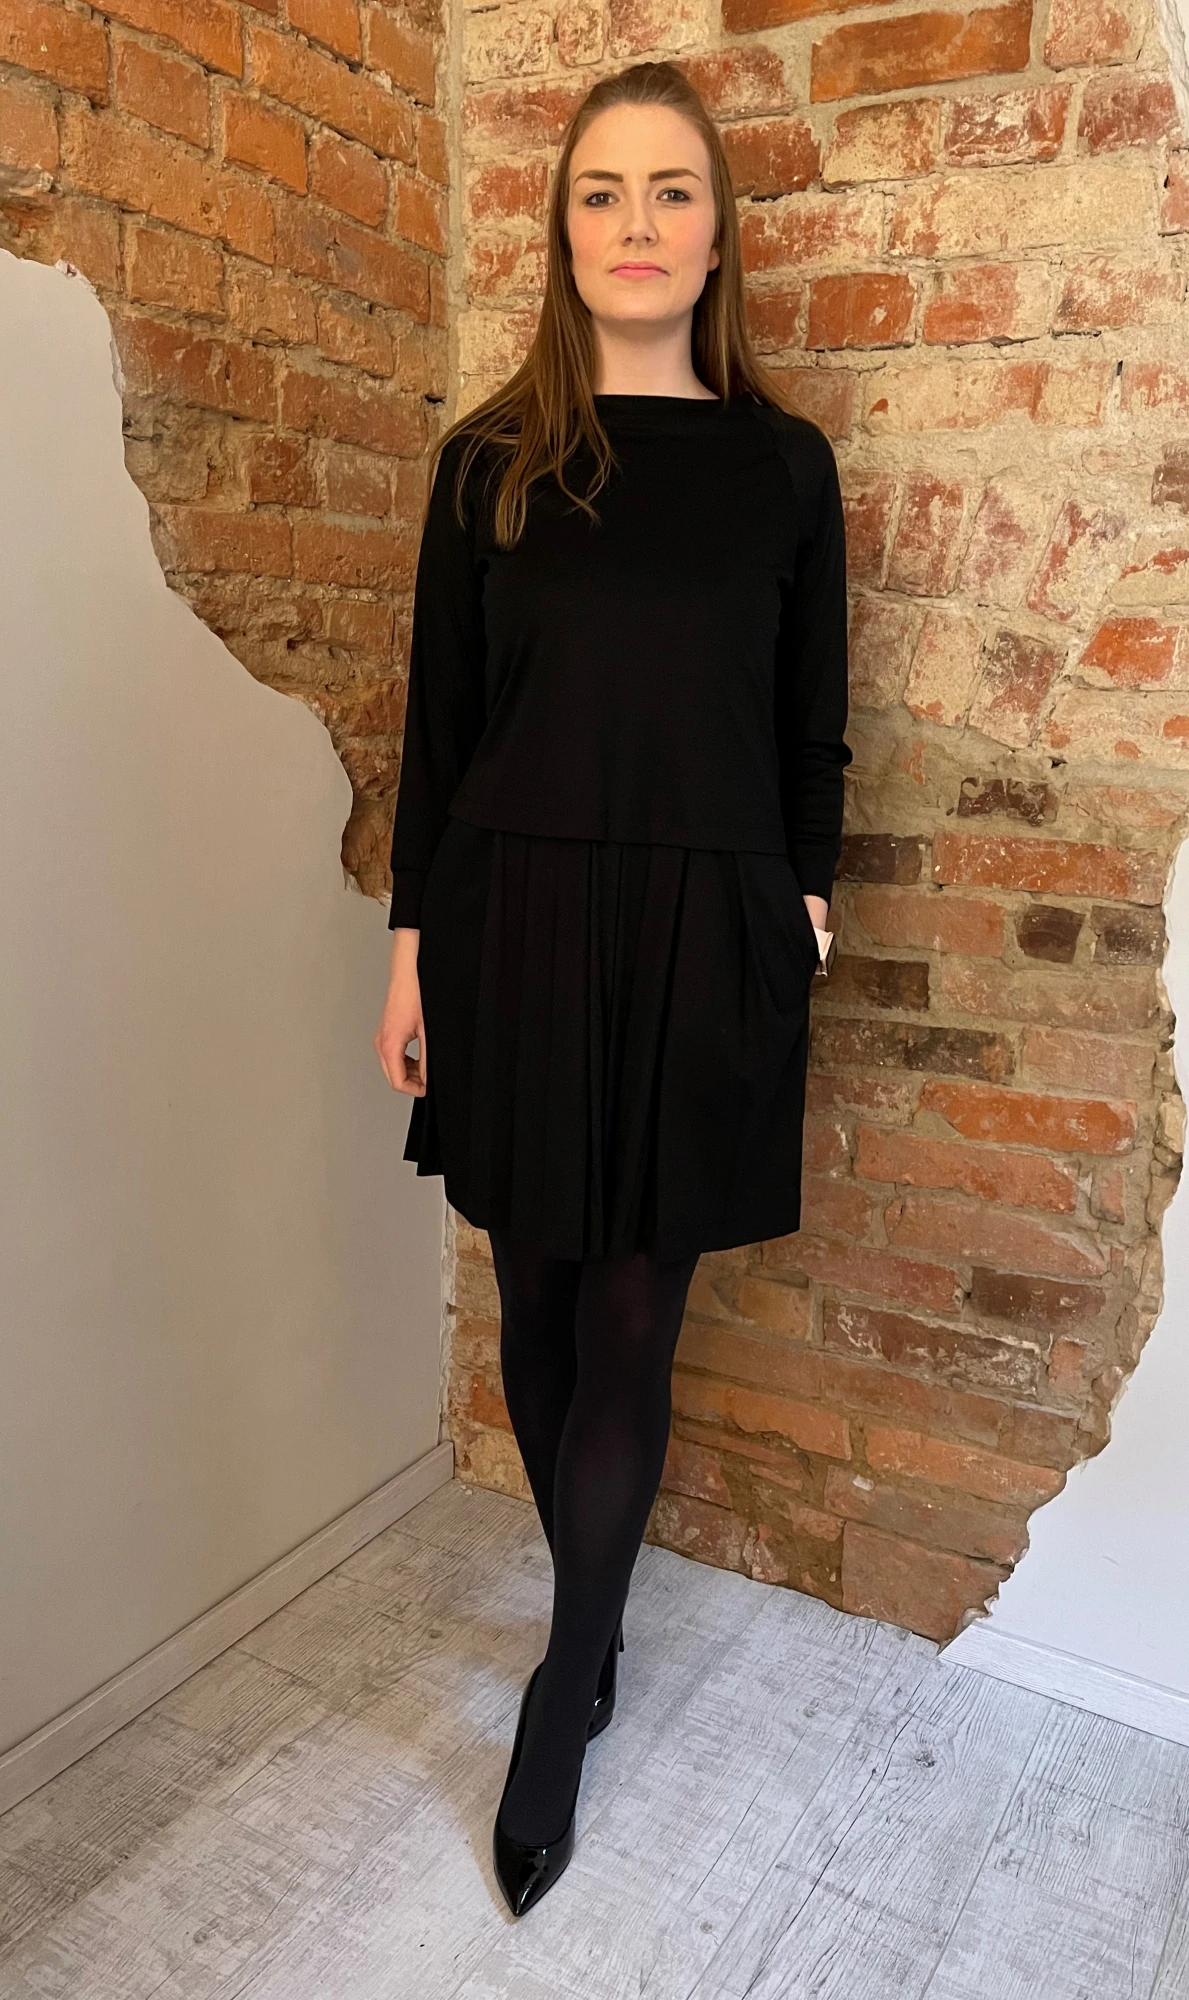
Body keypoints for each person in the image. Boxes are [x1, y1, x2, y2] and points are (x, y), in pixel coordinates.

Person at [374, 57, 851, 1918]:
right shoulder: (487, 462)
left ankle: (565, 1690)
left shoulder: (783, 470)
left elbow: (812, 724)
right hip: (510, 924)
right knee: (539, 1305)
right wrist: (411, 953)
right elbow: (438, 732)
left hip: (700, 933)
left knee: (638, 1320)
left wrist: (801, 905)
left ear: (718, 237)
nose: (635, 224)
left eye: (670, 192)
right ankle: (595, 1620)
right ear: (561, 232)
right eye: (601, 192)